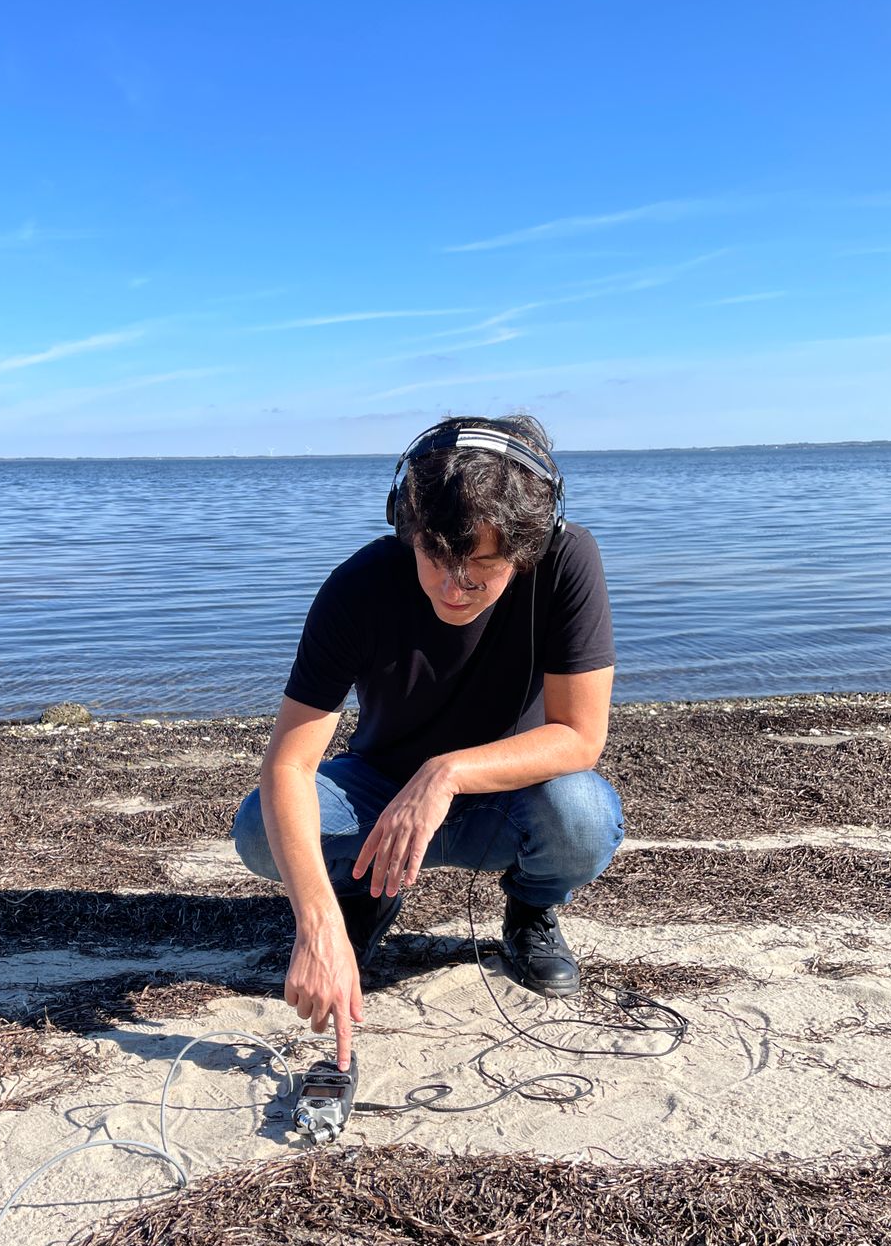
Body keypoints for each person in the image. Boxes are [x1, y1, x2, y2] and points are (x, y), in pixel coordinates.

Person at [232, 413, 622, 1070]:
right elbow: (290, 766)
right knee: (255, 827)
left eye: (482, 567)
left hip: (512, 798)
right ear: (405, 528)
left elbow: (580, 739)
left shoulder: (567, 561)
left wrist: (444, 773)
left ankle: (529, 912)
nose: (454, 585)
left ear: (530, 546)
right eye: (436, 558)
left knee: (581, 814)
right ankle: (362, 894)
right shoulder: (359, 585)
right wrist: (316, 921)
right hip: (378, 793)